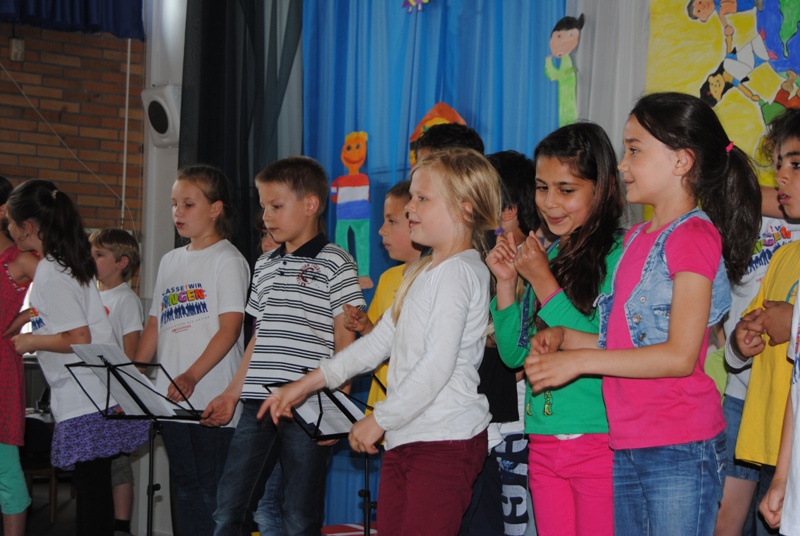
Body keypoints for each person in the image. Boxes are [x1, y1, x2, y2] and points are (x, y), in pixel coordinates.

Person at [525, 92, 761, 536]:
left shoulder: (693, 235)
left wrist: (578, 361)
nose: (622, 165)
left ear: (681, 161)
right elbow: (621, 341)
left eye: (635, 150)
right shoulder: (635, 240)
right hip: (627, 442)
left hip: (680, 445)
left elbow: (678, 356)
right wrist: (565, 338)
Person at [260, 148, 502, 536]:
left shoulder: (459, 273)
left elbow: (436, 365)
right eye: (412, 198)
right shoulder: (425, 271)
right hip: (408, 435)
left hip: (443, 441)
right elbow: (377, 344)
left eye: (422, 199)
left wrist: (379, 419)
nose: (410, 208)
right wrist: (306, 384)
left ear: (464, 210)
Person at [201, 156, 365, 535]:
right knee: (230, 508)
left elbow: (347, 340)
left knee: (299, 516)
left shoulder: (336, 261)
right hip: (258, 404)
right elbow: (259, 337)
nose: (266, 217)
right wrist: (232, 393)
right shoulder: (264, 265)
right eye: (263, 207)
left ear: (310, 205)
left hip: (309, 406)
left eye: (276, 206)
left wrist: (336, 411)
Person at [488, 125, 624, 536]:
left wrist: (542, 279)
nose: (549, 203)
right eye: (541, 188)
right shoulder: (547, 254)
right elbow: (514, 355)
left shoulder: (619, 255)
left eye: (566, 190)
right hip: (543, 439)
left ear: (602, 189)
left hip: (599, 437)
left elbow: (603, 342)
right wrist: (507, 284)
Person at [8, 179, 150, 536]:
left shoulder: (52, 271)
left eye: (10, 222)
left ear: (27, 227)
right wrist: (27, 317)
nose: (7, 229)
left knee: (92, 493)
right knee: (94, 488)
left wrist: (30, 341)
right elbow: (66, 316)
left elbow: (78, 337)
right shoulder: (62, 264)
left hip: (87, 395)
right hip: (93, 392)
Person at [134, 165, 250, 536]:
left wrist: (191, 375)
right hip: (170, 400)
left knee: (212, 495)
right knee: (183, 488)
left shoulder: (228, 260)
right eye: (174, 204)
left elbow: (230, 329)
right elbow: (155, 325)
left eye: (188, 203)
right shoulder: (170, 260)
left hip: (210, 399)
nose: (177, 212)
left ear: (215, 209)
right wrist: (132, 379)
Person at [717, 108, 800, 536]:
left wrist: (794, 322)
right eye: (778, 164)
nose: (781, 176)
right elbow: (738, 347)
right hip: (754, 409)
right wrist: (740, 341)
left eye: (795, 164)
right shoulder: (784, 257)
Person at [459, 150, 542, 536]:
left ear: (507, 210)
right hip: (484, 419)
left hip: (518, 418)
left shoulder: (537, 262)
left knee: (518, 523)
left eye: (476, 200)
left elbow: (520, 352)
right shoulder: (477, 260)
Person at [343, 179, 422, 411]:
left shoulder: (435, 280)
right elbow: (377, 345)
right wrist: (366, 326)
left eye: (392, 221)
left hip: (410, 410)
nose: (381, 230)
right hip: (379, 408)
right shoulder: (388, 278)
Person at [89, 228, 143, 536]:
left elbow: (131, 353)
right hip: (90, 394)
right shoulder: (89, 295)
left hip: (114, 395)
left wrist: (125, 394)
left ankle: (121, 525)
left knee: (117, 464)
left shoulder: (126, 300)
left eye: (99, 255)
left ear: (121, 262)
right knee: (95, 465)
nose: (91, 259)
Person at [0, 176, 38, 536]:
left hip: (1, 372)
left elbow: (69, 290)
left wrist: (25, 317)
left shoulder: (20, 259)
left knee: (5, 469)